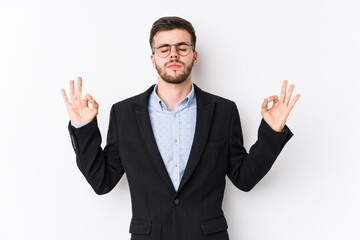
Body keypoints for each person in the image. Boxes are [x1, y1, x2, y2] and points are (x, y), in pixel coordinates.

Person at [61, 16, 300, 240]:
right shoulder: (123, 114)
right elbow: (102, 182)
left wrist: (272, 131)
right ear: (153, 59)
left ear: (194, 57)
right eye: (164, 49)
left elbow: (244, 179)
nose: (173, 55)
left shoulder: (223, 111)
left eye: (182, 48)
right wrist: (83, 127)